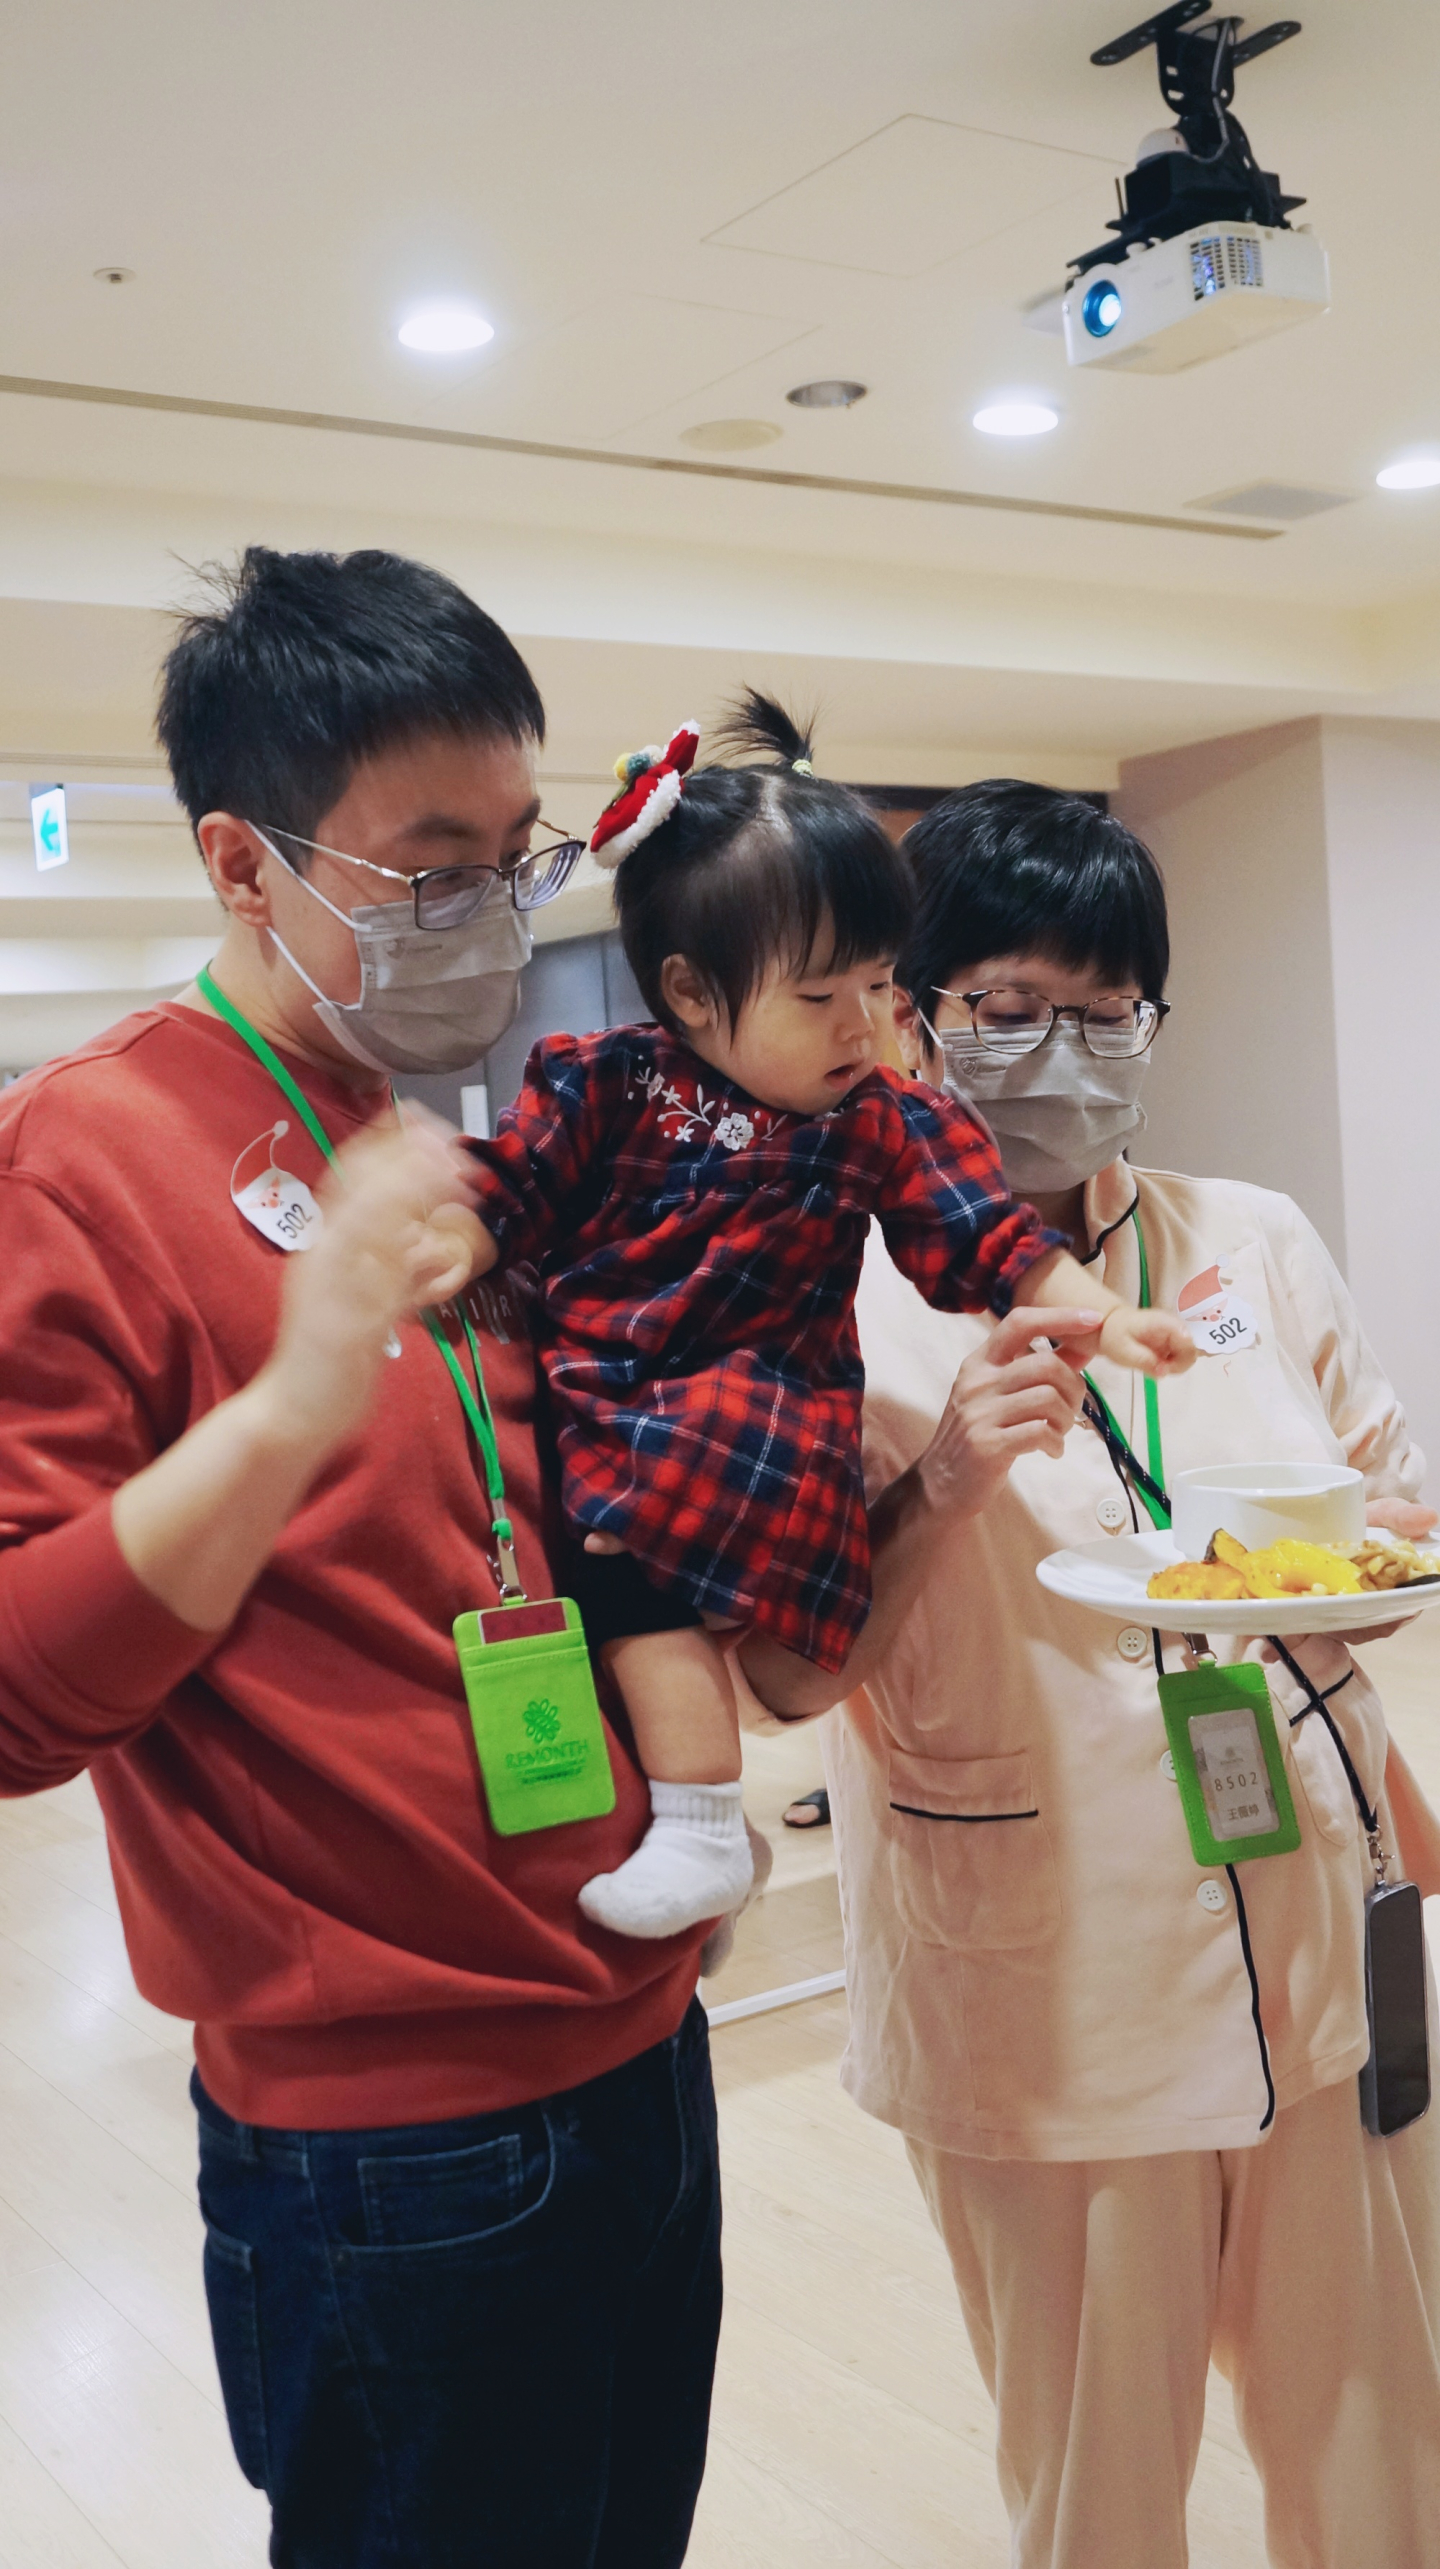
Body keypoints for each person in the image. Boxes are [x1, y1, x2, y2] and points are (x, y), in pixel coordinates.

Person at [0, 545, 729, 2569]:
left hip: (641, 2044)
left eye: (519, 852)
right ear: (244, 863)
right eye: (431, 868)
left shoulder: (432, 1140)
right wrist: (291, 1397)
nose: (490, 911)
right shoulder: (86, 1153)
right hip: (396, 2142)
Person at [737, 780, 1440, 2569]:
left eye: (1109, 1010)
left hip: (1314, 1929)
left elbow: (1389, 1505)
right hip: (1045, 1986)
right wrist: (943, 1475)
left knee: (1384, 2446)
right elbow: (779, 1681)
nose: (1064, 1050)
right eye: (1010, 1007)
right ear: (908, 1012)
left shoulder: (1248, 1238)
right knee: (1098, 2490)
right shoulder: (817, 1293)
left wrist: (1353, 1562)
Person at [451, 700, 1197, 1942]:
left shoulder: (880, 1118)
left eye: (878, 985)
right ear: (689, 992)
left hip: (747, 1433)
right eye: (819, 994)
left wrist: (1104, 1316)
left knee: (628, 1586)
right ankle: (693, 1821)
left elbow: (994, 1240)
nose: (863, 1025)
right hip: (654, 1421)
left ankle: (700, 1822)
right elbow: (512, 1187)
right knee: (621, 1606)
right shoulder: (609, 1081)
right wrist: (454, 1238)